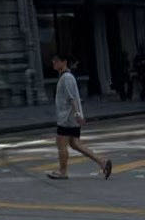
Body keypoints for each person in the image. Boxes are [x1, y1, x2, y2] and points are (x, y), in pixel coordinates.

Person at [47, 53, 112, 181]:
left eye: (56, 61)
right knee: (75, 144)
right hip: (70, 117)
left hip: (67, 118)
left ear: (64, 62)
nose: (53, 63)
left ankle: (63, 172)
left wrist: (77, 114)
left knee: (61, 144)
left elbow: (72, 98)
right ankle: (103, 162)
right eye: (53, 61)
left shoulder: (66, 78)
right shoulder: (66, 76)